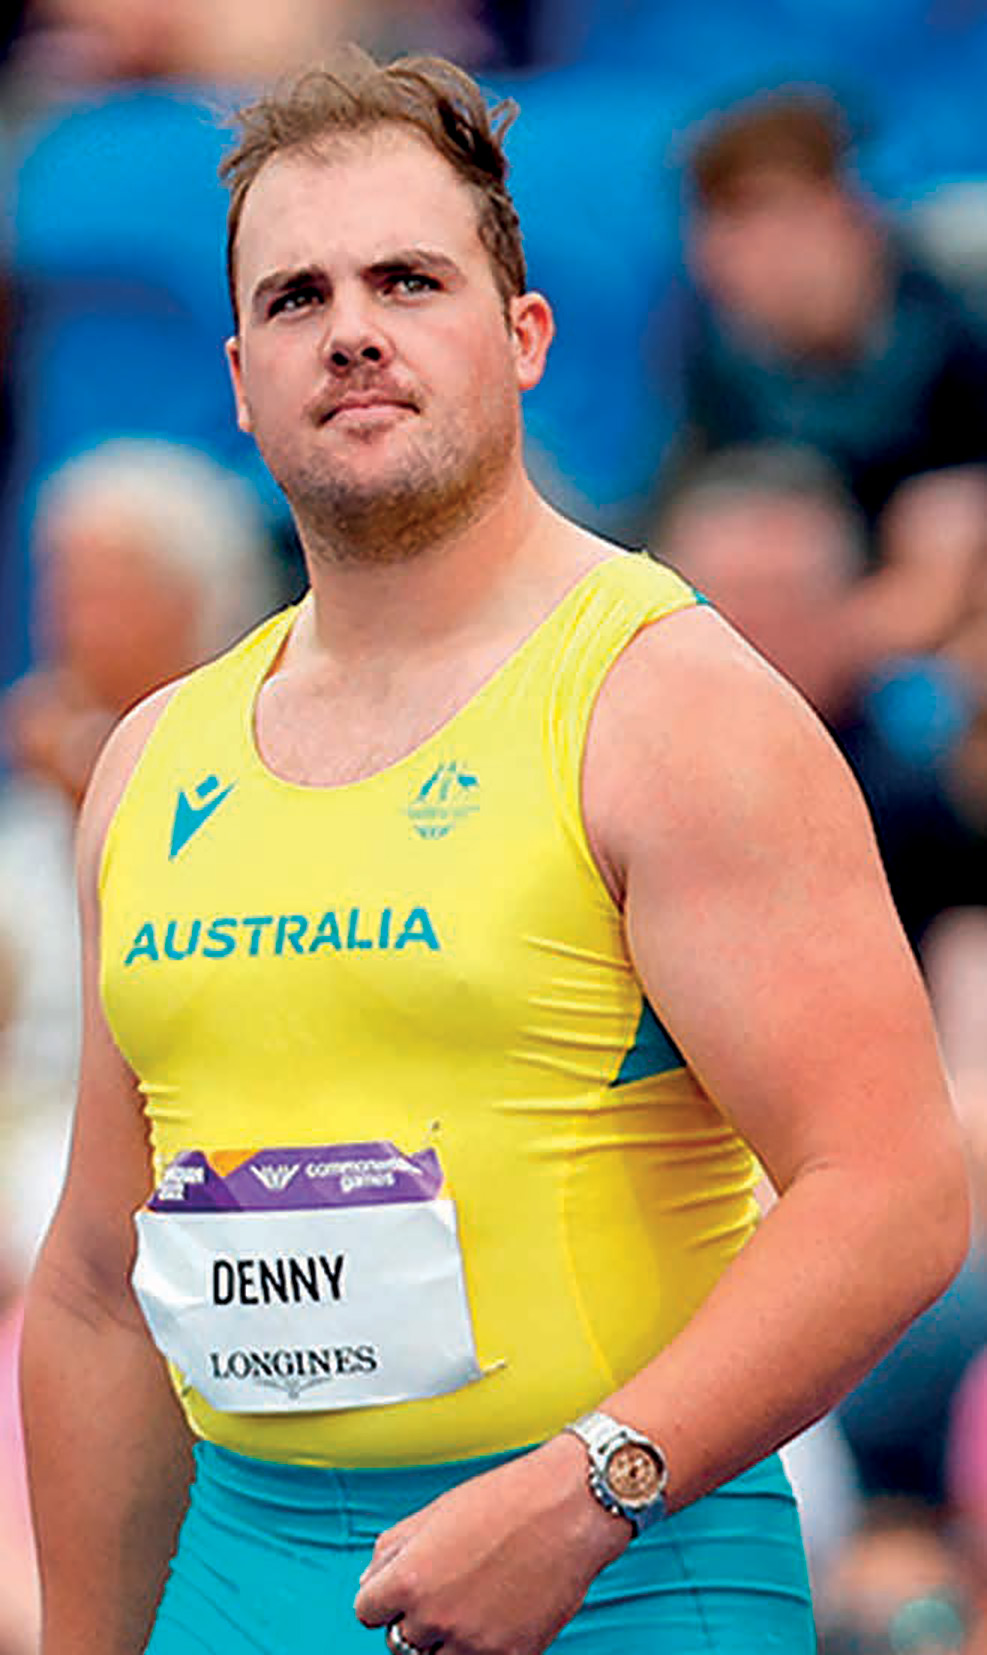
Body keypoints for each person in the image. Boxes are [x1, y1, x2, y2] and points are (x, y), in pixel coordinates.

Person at [19, 47, 969, 1655]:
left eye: (408, 277)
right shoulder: (151, 761)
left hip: (610, 1578)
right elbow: (103, 1290)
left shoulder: (669, 705)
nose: (356, 329)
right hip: (243, 1580)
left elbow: (892, 1191)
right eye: (301, 296)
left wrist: (581, 1491)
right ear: (243, 373)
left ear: (522, 336)